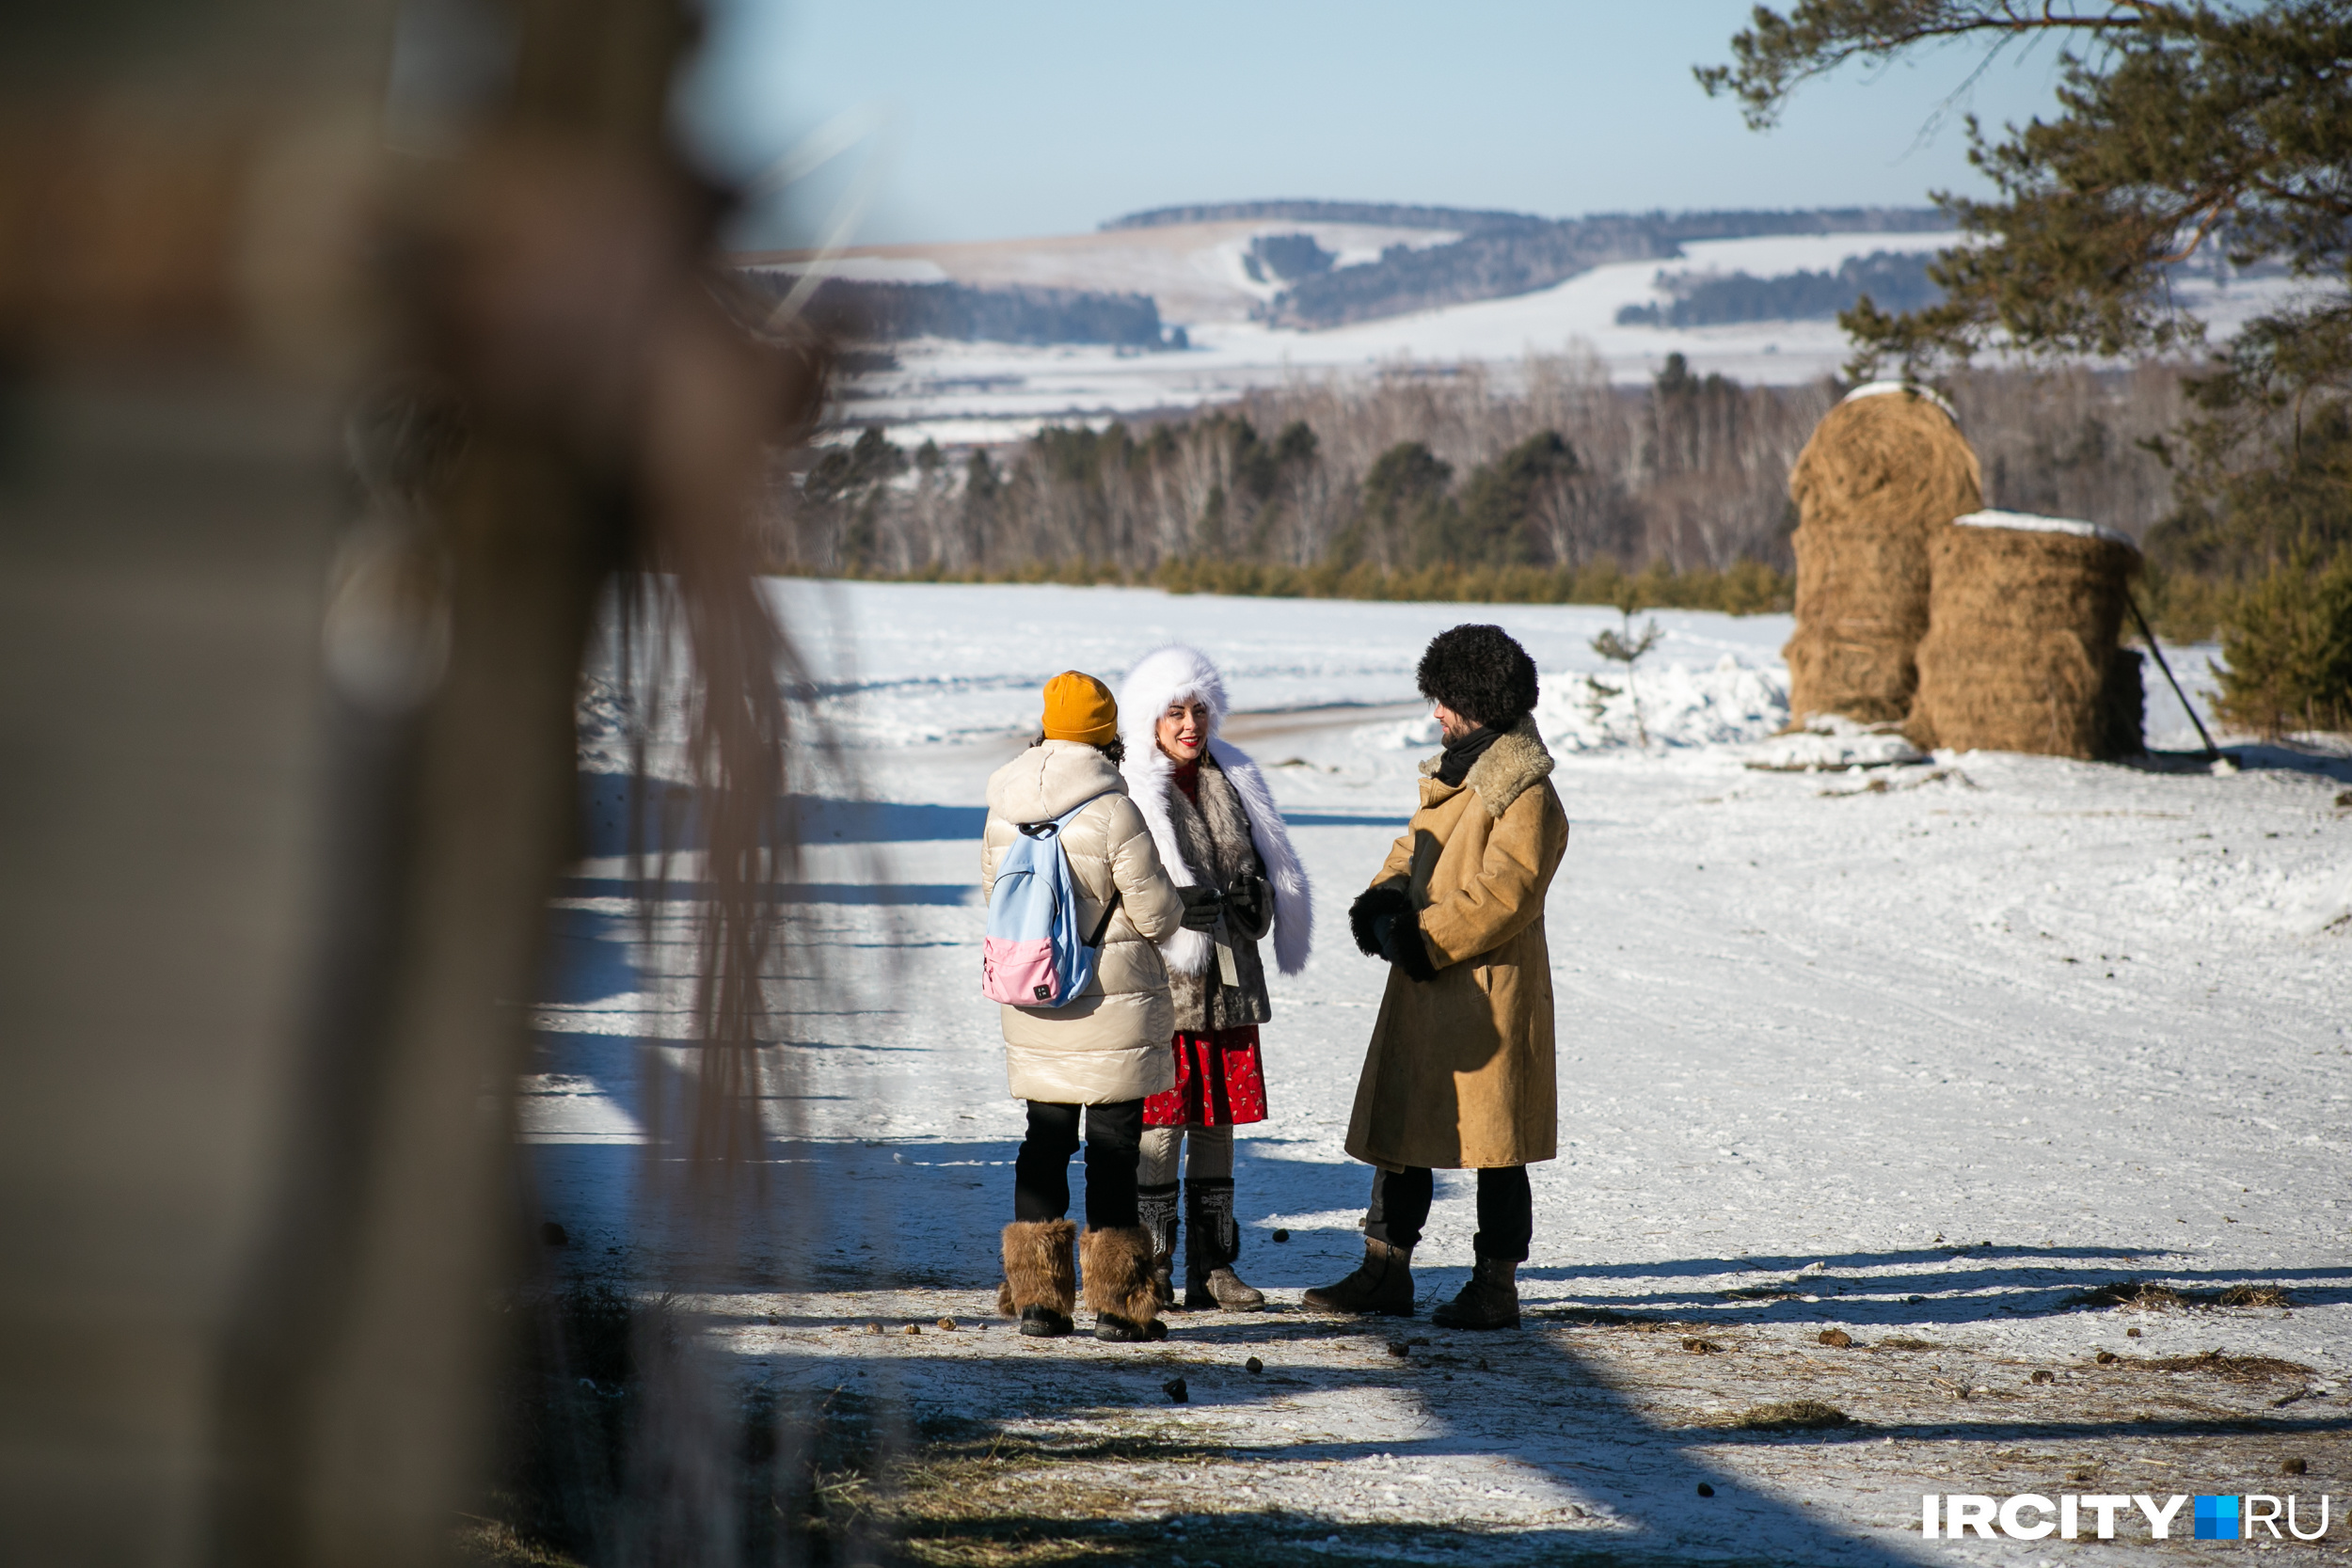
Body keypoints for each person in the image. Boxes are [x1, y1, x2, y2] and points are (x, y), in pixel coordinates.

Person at [1304, 625, 1567, 1330]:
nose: (1435, 714)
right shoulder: (1458, 772)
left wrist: (1419, 939)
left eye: (1444, 699)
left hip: (1484, 998)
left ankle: (1495, 1285)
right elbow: (1411, 848)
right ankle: (1384, 1269)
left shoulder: (1525, 794)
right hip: (1427, 990)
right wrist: (1385, 901)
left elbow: (1504, 894)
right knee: (1400, 1130)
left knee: (1497, 1147)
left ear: (1477, 703)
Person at [983, 671, 1185, 1341]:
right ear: (1107, 733)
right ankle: (1119, 1306)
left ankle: (1038, 1298)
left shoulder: (1003, 805)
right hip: (1110, 1005)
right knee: (1113, 1151)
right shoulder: (1114, 809)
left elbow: (997, 896)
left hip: (1036, 996)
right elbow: (1157, 913)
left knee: (1044, 1142)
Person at [1116, 645, 1313, 1311]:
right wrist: (1169, 911)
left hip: (1229, 978)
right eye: (1175, 711)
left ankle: (1214, 1268)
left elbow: (1255, 859)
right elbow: (1116, 886)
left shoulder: (1233, 775)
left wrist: (1257, 895)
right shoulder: (1131, 787)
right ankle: (1152, 1267)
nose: (1190, 723)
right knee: (1160, 1126)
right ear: (1151, 717)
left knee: (1218, 1122)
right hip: (1162, 986)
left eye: (1199, 708)